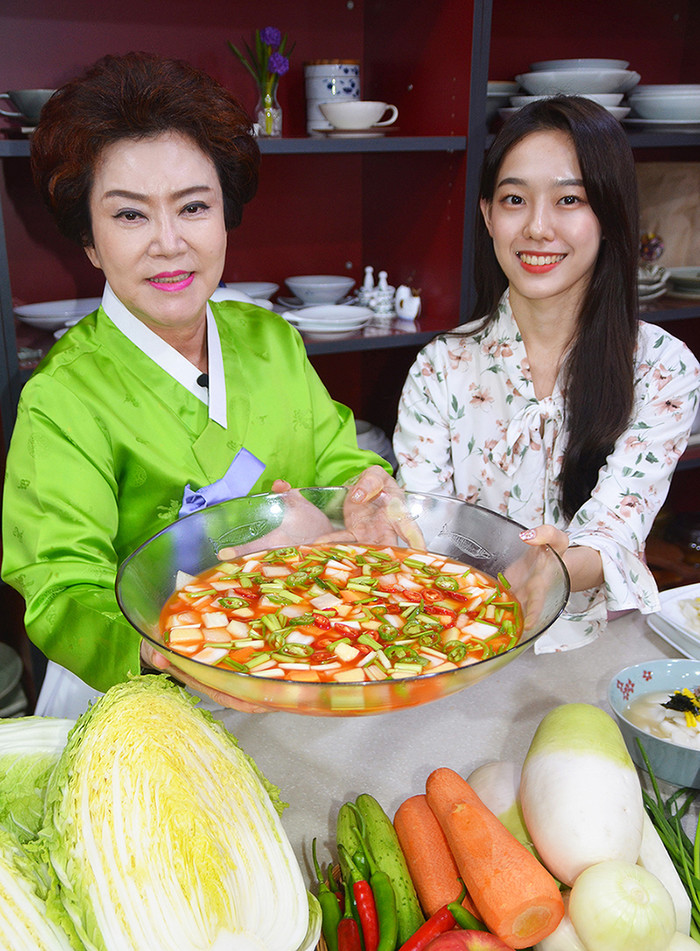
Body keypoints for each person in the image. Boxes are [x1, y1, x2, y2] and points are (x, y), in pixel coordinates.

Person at [1, 52, 396, 703]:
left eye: (192, 207)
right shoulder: (62, 396)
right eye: (130, 215)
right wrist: (174, 642)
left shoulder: (269, 338)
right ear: (89, 241)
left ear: (225, 215)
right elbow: (61, 585)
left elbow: (337, 457)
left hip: (298, 648)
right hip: (138, 689)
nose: (168, 242)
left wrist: (363, 496)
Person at [393, 96, 700, 652]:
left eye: (569, 200)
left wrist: (552, 569)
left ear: (609, 214)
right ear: (488, 215)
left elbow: (614, 529)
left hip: (597, 646)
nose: (538, 227)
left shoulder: (662, 368)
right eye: (515, 199)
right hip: (460, 642)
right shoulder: (440, 368)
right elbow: (424, 529)